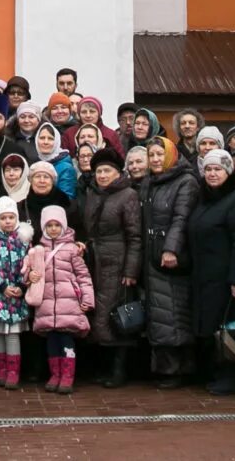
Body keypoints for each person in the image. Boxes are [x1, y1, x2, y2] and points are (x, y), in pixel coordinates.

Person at [188, 148, 235, 396]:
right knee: (210, 325)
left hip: (227, 277)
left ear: (228, 171)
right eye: (208, 169)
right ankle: (214, 372)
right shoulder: (205, 198)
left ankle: (232, 376)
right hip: (204, 275)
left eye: (218, 169)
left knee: (229, 325)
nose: (212, 174)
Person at [77, 146, 145, 389]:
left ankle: (119, 369)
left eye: (107, 171)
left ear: (118, 172)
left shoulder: (128, 195)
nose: (102, 175)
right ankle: (103, 367)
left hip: (118, 260)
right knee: (99, 315)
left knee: (118, 314)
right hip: (95, 260)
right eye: (98, 171)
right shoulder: (93, 193)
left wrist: (130, 270)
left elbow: (135, 236)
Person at [140, 131, 198, 387]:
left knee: (173, 313)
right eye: (151, 154)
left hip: (170, 258)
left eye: (159, 154)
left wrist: (171, 249)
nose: (154, 158)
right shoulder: (149, 182)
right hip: (150, 256)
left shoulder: (185, 181)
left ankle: (178, 369)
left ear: (171, 155)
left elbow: (181, 218)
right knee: (159, 313)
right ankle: (162, 368)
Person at [22, 204, 95, 394]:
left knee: (66, 340)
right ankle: (55, 374)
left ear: (63, 226)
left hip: (68, 304)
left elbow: (83, 276)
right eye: (49, 225)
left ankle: (68, 375)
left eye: (56, 225)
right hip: (47, 305)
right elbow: (26, 271)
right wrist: (29, 277)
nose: (53, 229)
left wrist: (87, 299)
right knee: (52, 342)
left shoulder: (72, 250)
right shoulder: (38, 250)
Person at [0, 196, 34, 389]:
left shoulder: (23, 243)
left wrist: (21, 285)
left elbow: (28, 266)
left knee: (13, 335)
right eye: (3, 218)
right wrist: (1, 286)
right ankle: (1, 370)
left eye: (11, 217)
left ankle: (13, 372)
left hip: (16, 297)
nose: (8, 221)